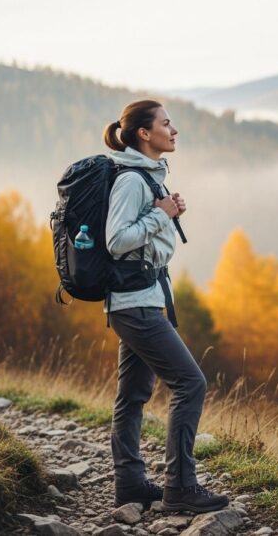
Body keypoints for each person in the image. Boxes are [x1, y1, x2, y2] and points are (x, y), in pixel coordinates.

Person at [102, 99, 229, 513]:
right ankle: (180, 488)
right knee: (190, 384)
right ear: (144, 133)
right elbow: (116, 240)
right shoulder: (132, 180)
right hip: (134, 304)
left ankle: (131, 484)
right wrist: (160, 215)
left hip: (141, 301)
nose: (173, 131)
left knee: (134, 393)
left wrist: (167, 211)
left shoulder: (147, 177)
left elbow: (145, 232)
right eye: (166, 124)